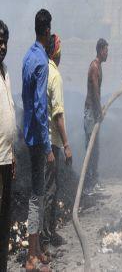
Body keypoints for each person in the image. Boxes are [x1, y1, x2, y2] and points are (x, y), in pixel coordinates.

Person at [22, 9, 52, 272]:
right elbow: (41, 107)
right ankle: (31, 256)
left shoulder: (27, 56)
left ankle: (38, 248)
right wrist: (47, 143)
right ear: (47, 30)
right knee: (37, 195)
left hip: (28, 134)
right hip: (37, 138)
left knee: (38, 193)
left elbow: (27, 100)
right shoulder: (41, 61)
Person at [42, 34, 72, 248]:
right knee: (51, 190)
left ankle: (45, 233)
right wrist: (67, 145)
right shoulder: (55, 76)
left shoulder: (43, 70)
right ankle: (48, 235)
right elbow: (58, 115)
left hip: (42, 139)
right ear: (57, 53)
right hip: (52, 141)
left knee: (45, 188)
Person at [0, 20, 16, 272]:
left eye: (4, 41)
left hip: (6, 158)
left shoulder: (5, 71)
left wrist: (13, 155)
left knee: (4, 220)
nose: (2, 45)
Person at [83, 38, 108, 194]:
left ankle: (94, 180)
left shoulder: (99, 66)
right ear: (100, 50)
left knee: (95, 149)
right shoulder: (94, 67)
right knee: (90, 149)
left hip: (95, 111)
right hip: (91, 113)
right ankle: (87, 186)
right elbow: (94, 92)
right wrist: (99, 111)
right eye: (106, 50)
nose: (107, 53)